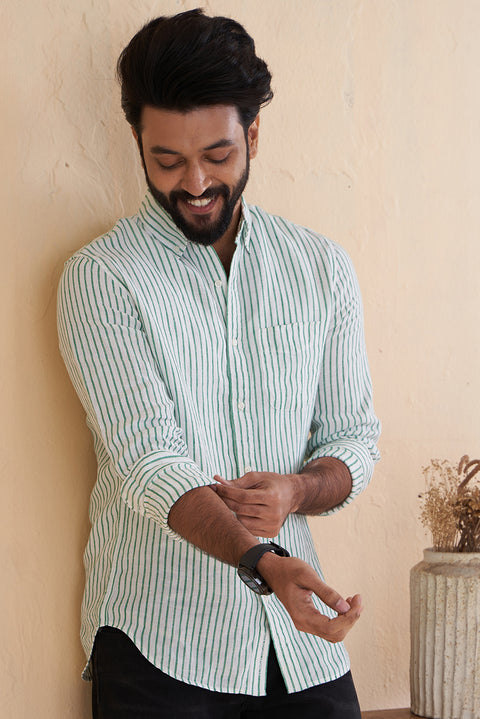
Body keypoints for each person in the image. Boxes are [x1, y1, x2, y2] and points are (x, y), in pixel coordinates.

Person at [57, 8, 380, 718]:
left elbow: (355, 437)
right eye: (166, 160)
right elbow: (149, 462)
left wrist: (297, 490)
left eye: (218, 155)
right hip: (159, 644)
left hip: (299, 642)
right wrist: (260, 560)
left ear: (254, 133)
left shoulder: (320, 268)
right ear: (138, 140)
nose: (195, 182)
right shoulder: (102, 277)